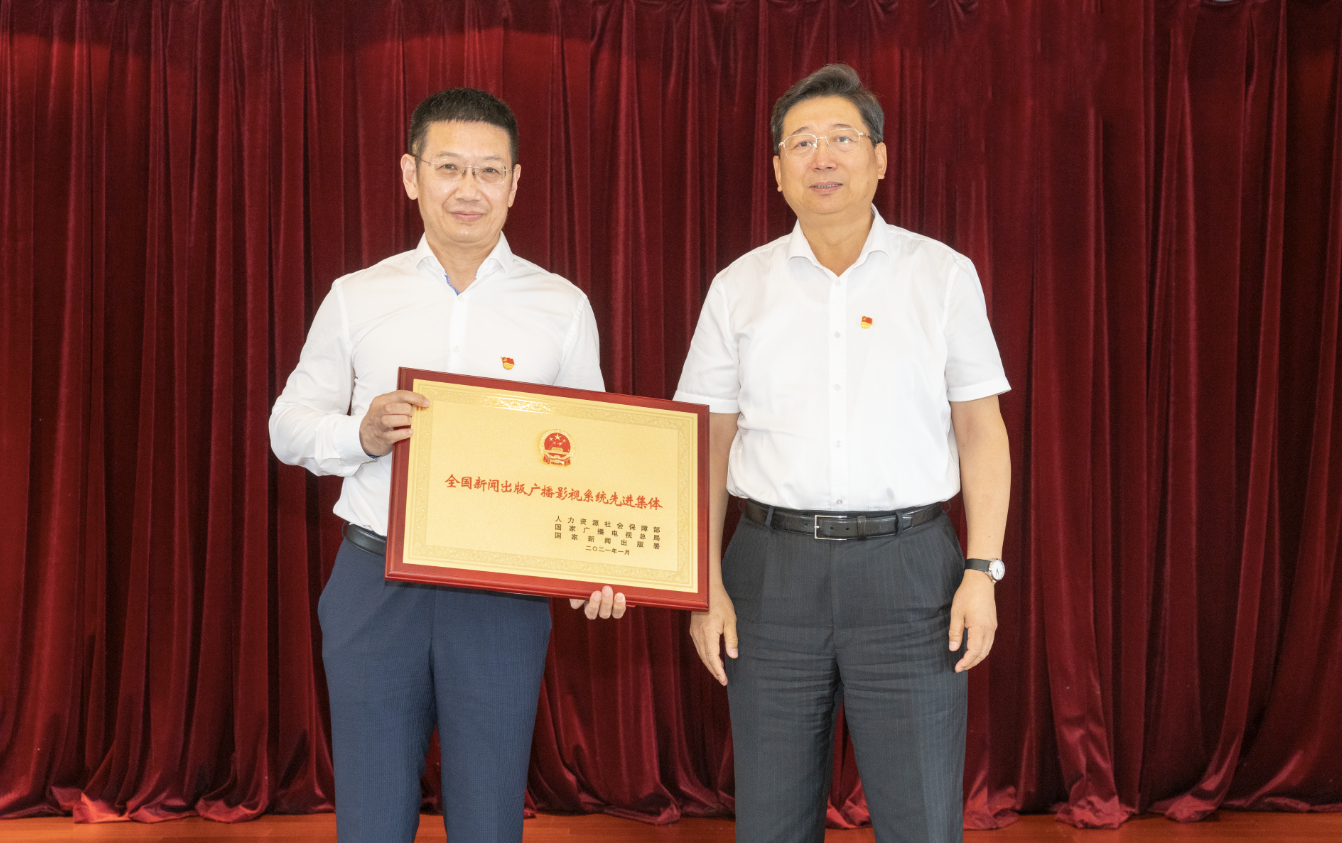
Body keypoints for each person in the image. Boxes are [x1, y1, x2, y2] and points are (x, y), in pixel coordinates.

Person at [270, 88, 626, 843]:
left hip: (501, 593)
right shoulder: (356, 297)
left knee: (490, 815)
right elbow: (286, 427)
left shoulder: (561, 306)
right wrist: (361, 433)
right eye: (449, 167)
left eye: (489, 170)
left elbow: (590, 459)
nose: (470, 188)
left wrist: (599, 564)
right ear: (411, 174)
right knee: (370, 816)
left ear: (515, 183)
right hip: (375, 581)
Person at [677, 64, 1011, 843]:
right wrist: (701, 582)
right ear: (777, 171)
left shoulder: (942, 276)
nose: (821, 157)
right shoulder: (739, 287)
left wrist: (983, 569)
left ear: (880, 157)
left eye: (841, 138)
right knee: (770, 820)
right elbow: (707, 436)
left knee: (922, 819)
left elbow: (981, 429)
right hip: (770, 571)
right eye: (801, 143)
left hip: (910, 571)